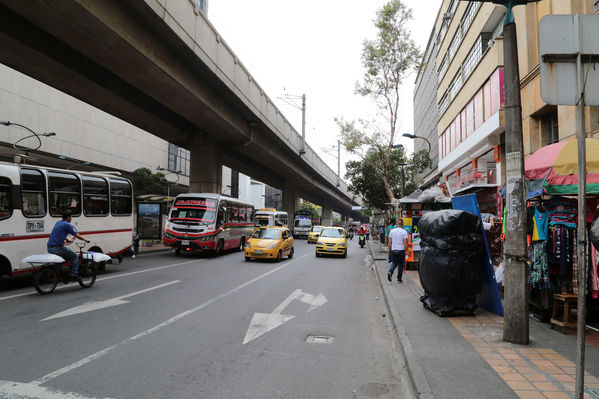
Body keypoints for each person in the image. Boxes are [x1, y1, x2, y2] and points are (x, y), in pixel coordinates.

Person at [47, 210, 90, 281]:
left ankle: (59, 273)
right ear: (68, 218)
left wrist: (66, 239)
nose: (71, 218)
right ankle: (74, 274)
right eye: (71, 217)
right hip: (57, 248)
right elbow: (77, 235)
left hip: (50, 248)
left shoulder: (58, 223)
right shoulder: (67, 225)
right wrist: (85, 240)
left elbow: (58, 233)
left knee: (62, 258)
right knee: (74, 257)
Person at [387, 219, 409, 283]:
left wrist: (389, 249)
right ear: (402, 224)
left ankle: (390, 271)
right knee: (401, 265)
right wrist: (407, 250)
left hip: (393, 250)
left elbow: (389, 242)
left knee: (394, 263)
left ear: (396, 224)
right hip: (401, 250)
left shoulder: (392, 231)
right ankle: (399, 279)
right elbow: (405, 243)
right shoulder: (404, 232)